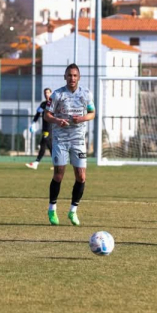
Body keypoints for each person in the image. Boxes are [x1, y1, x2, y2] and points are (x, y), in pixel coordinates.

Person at [43, 64, 95, 226]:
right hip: (61, 139)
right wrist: (57, 120)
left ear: (78, 77)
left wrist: (82, 118)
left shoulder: (86, 94)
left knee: (81, 176)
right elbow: (47, 115)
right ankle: (52, 209)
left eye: (74, 75)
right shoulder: (58, 95)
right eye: (69, 75)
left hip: (78, 140)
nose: (72, 78)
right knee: (59, 175)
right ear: (65, 77)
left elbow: (92, 113)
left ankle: (73, 211)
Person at [26, 88, 53, 170]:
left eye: (48, 93)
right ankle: (57, 163)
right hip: (44, 128)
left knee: (44, 144)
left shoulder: (54, 104)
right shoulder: (43, 104)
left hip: (50, 128)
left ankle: (36, 162)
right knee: (49, 146)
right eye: (45, 93)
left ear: (51, 93)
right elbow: (38, 114)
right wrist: (33, 123)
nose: (46, 94)